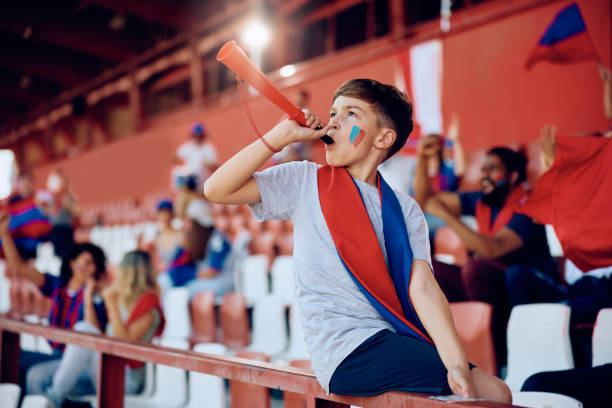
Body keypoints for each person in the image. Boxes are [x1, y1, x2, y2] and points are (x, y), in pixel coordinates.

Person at [204, 78, 511, 402]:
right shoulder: (305, 181)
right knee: (495, 393)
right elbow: (216, 189)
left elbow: (422, 288)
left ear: (384, 138)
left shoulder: (405, 210)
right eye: (333, 112)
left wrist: (455, 363)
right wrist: (278, 138)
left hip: (390, 341)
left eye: (351, 113)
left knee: (494, 393)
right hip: (345, 351)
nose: (334, 121)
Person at [414, 145, 556, 366]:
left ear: (513, 176)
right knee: (432, 270)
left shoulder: (528, 206)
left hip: (533, 287)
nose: (485, 175)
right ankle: (456, 345)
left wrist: (448, 217)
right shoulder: (481, 200)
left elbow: (493, 249)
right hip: (496, 290)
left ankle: (498, 355)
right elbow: (425, 201)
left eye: (493, 169)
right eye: (483, 169)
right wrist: (423, 159)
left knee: (476, 269)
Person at [506, 126, 612, 326]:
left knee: (561, 313)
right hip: (571, 291)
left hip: (604, 291)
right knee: (516, 275)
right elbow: (550, 199)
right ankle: (532, 330)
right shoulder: (567, 203)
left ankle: (547, 322)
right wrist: (552, 163)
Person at [0, 211, 108, 397]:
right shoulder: (57, 285)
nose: (89, 268)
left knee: (36, 376)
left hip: (79, 363)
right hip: (57, 355)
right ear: (73, 263)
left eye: (93, 264)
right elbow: (19, 268)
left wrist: (88, 296)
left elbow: (92, 333)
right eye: (86, 262)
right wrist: (4, 234)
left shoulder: (98, 298)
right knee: (11, 360)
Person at [44, 250, 164, 407]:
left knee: (84, 330)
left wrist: (112, 305)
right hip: (112, 368)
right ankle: (56, 395)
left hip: (127, 380)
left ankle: (55, 395)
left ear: (129, 273)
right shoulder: (125, 300)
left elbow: (125, 345)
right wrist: (88, 296)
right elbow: (92, 329)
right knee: (83, 330)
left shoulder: (149, 304)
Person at [413, 115, 465, 242]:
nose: (433, 150)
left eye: (436, 145)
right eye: (429, 146)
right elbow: (416, 199)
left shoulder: (446, 168)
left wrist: (456, 141)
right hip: (425, 215)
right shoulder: (419, 171)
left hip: (445, 214)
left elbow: (461, 169)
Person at [157, 199, 214, 290]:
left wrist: (187, 273)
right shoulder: (157, 237)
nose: (164, 216)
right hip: (174, 274)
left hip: (188, 276)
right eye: (161, 213)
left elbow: (211, 270)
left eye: (167, 212)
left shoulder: (182, 236)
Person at [0, 171, 52, 260]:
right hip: (19, 243)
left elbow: (53, 207)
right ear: (18, 185)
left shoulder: (41, 196)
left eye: (28, 182)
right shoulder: (12, 203)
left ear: (33, 182)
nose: (26, 185)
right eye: (23, 182)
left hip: (39, 243)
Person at [46, 170, 80, 258]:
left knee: (67, 254)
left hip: (65, 229)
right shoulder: (52, 197)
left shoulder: (68, 197)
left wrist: (68, 205)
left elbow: (78, 211)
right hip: (56, 230)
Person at [174, 122, 218, 189]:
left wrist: (209, 164)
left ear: (203, 136)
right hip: (188, 180)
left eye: (199, 135)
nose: (197, 138)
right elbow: (174, 157)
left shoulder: (208, 148)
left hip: (200, 181)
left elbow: (216, 166)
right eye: (195, 135)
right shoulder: (187, 146)